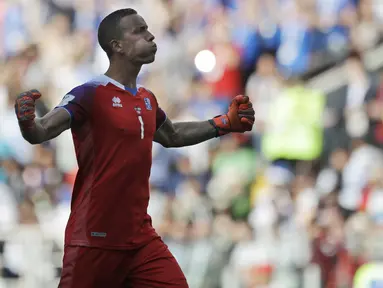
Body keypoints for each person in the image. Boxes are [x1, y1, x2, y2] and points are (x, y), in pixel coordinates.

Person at [14, 8, 255, 288]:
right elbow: (41, 130)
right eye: (139, 31)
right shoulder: (89, 93)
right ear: (117, 45)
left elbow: (173, 135)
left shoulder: (147, 99)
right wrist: (27, 122)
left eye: (148, 29)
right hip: (95, 237)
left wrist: (224, 123)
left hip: (139, 237)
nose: (150, 35)